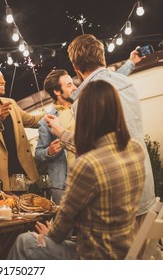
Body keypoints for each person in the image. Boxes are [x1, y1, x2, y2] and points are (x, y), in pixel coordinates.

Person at [8, 80, 146, 260]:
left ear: (86, 116)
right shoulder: (136, 149)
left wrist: (51, 233)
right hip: (126, 250)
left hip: (95, 258)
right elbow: (96, 148)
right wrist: (59, 136)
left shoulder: (87, 164)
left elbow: (61, 229)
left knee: (24, 241)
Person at [46, 34, 155, 222]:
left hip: (117, 200)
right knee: (140, 251)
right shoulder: (126, 83)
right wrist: (130, 62)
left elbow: (89, 149)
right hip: (144, 188)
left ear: (76, 67)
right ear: (102, 57)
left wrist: (60, 132)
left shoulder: (85, 99)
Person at [0, 66, 44, 190]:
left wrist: (56, 112)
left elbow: (32, 121)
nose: (3, 81)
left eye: (3, 78)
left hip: (22, 174)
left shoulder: (10, 103)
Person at [35, 69, 77, 205]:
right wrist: (48, 152)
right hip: (62, 184)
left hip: (87, 176)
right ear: (57, 92)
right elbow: (38, 154)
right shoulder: (46, 121)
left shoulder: (83, 108)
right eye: (69, 85)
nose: (75, 87)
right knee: (66, 225)